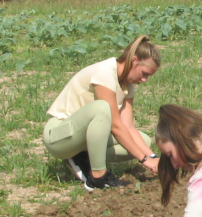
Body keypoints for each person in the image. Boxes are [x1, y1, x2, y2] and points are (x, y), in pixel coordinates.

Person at [43, 36, 161, 190]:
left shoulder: (127, 84)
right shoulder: (104, 73)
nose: (145, 80)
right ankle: (97, 177)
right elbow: (116, 125)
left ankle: (81, 157)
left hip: (79, 137)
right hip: (59, 136)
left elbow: (128, 127)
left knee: (144, 141)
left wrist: (153, 158)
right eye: (144, 73)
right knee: (102, 108)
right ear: (134, 60)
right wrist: (145, 160)